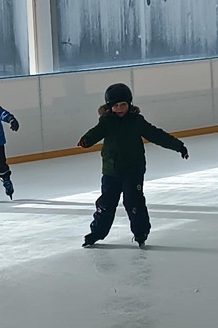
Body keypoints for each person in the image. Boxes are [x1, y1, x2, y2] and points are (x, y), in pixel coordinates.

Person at [77, 82, 189, 247]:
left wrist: (179, 146)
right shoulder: (106, 122)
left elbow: (156, 135)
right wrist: (87, 140)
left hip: (133, 170)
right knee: (106, 204)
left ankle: (140, 233)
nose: (120, 108)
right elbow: (96, 132)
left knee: (134, 202)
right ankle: (96, 233)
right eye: (116, 105)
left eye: (123, 104)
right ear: (109, 107)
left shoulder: (137, 121)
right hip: (111, 171)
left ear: (129, 104)